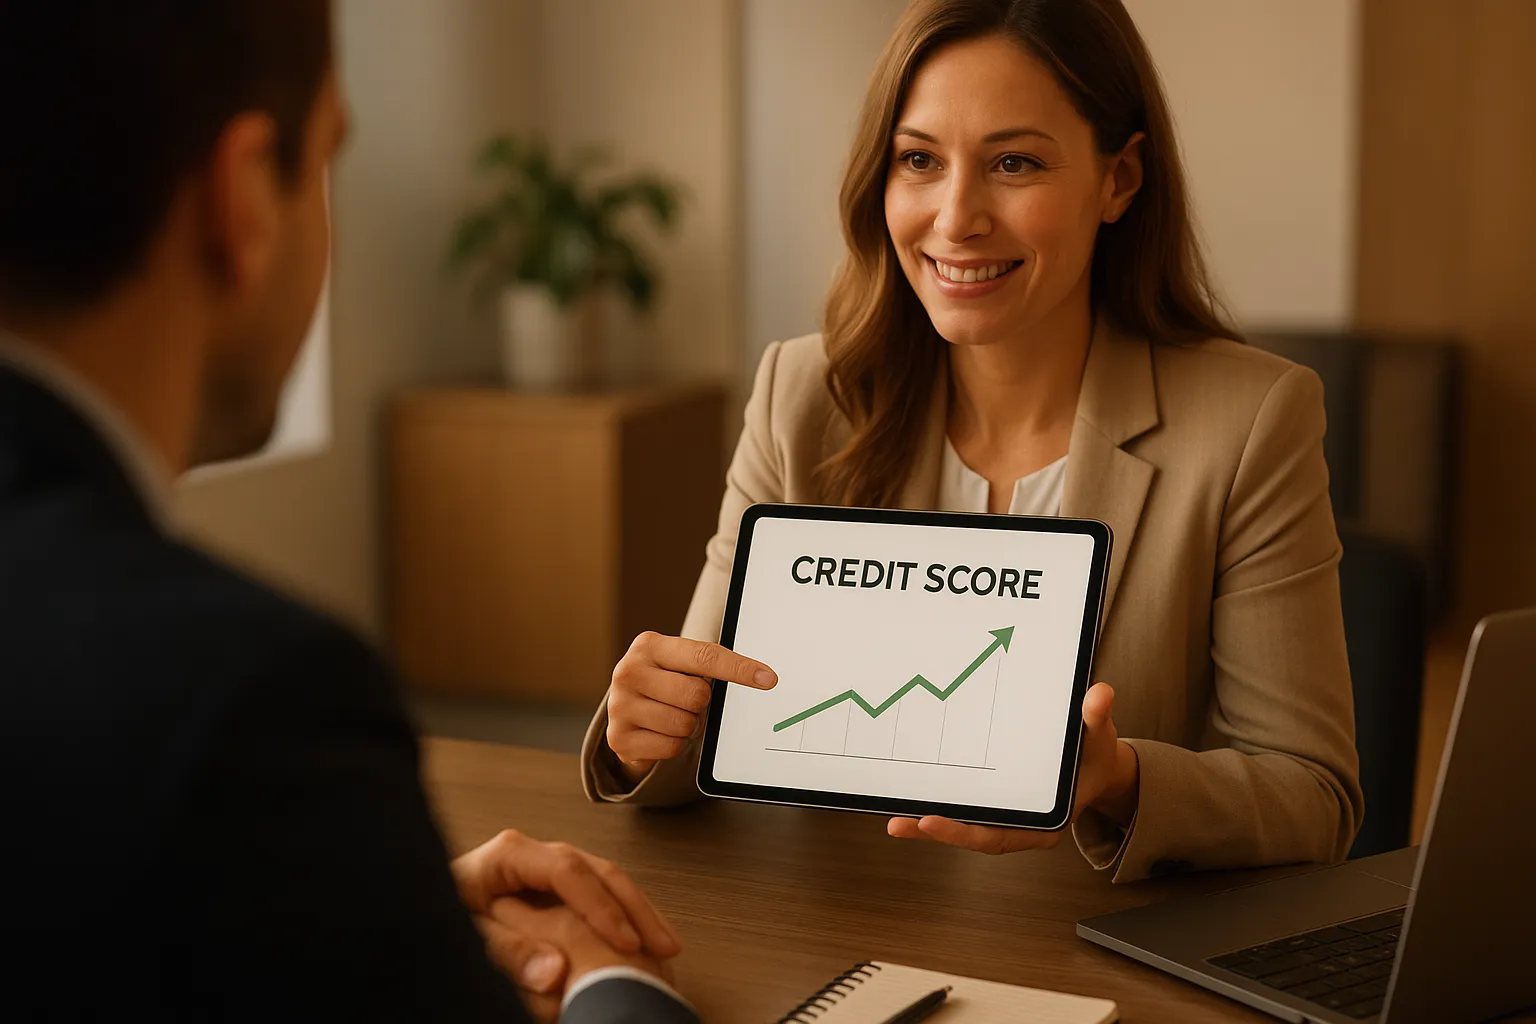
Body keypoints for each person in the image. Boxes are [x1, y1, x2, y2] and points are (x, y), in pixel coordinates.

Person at [0, 2, 697, 1020]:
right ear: (240, 199)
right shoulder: (249, 696)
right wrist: (610, 981)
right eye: (327, 163)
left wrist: (373, 913)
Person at [582, 0, 1364, 884]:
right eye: (919, 160)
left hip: (1093, 961)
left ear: (1121, 179)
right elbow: (697, 734)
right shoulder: (804, 395)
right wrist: (639, 731)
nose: (957, 218)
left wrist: (1117, 781)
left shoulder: (1252, 420)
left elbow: (1313, 799)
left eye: (1014, 163)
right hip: (846, 927)